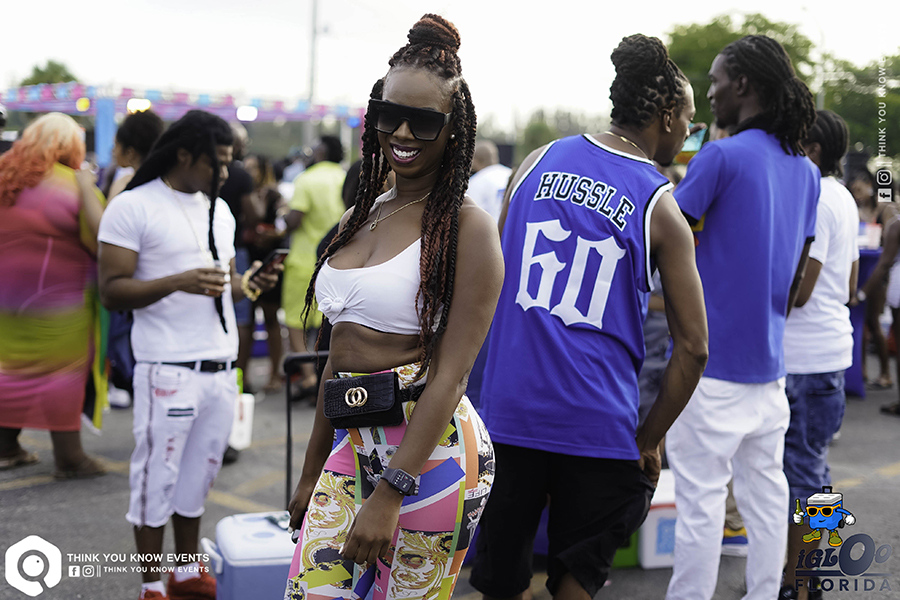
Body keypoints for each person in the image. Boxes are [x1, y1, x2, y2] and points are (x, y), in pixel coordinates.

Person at [470, 34, 707, 600]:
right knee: (576, 581)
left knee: (502, 580)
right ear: (667, 115)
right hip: (598, 424)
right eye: (689, 119)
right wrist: (650, 439)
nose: (689, 131)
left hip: (507, 413)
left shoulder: (534, 163)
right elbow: (695, 347)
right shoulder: (660, 204)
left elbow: (491, 284)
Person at [284, 14, 502, 600]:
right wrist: (310, 472)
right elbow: (337, 357)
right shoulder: (360, 215)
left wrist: (390, 492)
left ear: (454, 130)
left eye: (423, 121)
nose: (403, 132)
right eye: (389, 114)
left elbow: (452, 375)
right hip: (351, 443)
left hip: (432, 455)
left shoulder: (467, 229)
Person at [97, 110, 278, 600]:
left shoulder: (219, 210)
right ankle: (152, 584)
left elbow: (222, 286)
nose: (224, 172)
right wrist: (178, 281)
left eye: (229, 162)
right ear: (183, 154)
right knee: (155, 479)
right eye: (216, 162)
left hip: (220, 367)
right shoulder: (133, 206)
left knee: (199, 476)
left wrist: (248, 284)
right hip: (167, 369)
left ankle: (183, 570)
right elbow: (111, 291)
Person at [663, 35, 819, 600]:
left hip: (707, 368)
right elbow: (795, 276)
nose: (710, 93)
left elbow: (664, 241)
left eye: (716, 81)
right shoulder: (805, 171)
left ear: (744, 84)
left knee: (702, 504)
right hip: (770, 369)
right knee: (768, 497)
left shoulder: (720, 156)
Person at [0, 112, 108, 478]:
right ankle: (70, 457)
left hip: (6, 306)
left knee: (7, 368)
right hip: (58, 307)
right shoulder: (74, 186)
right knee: (63, 374)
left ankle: (5, 446)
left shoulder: (3, 178)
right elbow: (100, 241)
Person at [780, 110, 859, 600]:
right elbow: (849, 286)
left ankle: (802, 582)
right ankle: (808, 576)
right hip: (830, 355)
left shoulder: (815, 197)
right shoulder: (844, 197)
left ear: (811, 149)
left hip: (804, 360)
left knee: (803, 477)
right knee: (815, 472)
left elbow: (802, 291)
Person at [282, 135, 346, 396]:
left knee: (295, 321)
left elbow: (294, 219)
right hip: (336, 261)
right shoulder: (344, 177)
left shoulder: (306, 179)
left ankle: (308, 378)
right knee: (327, 322)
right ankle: (324, 377)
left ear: (320, 152)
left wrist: (283, 214)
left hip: (304, 261)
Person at [244, 153, 289, 393]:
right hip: (247, 260)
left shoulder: (273, 195)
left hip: (269, 262)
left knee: (271, 319)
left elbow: (283, 222)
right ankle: (243, 375)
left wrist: (274, 233)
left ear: (263, 170)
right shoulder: (244, 193)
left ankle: (274, 375)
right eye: (246, 167)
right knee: (247, 321)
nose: (249, 172)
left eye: (253, 168)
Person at [108, 109, 165, 200]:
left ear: (130, 153)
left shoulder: (124, 188)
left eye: (116, 145)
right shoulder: (168, 185)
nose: (113, 151)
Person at [467, 139, 511, 222]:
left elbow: (472, 217)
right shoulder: (510, 174)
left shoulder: (476, 182)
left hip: (491, 228)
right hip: (512, 227)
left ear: (475, 160)